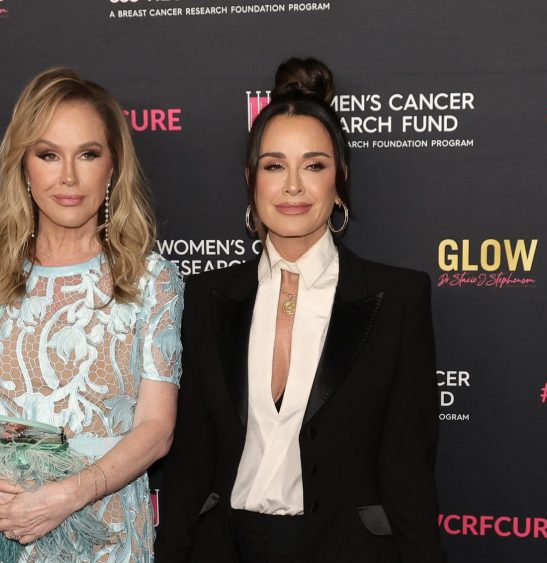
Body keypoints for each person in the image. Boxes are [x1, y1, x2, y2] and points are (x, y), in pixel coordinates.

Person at [156, 58, 446, 563]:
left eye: (314, 165)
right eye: (274, 166)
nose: (293, 186)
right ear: (251, 180)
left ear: (340, 180)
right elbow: (191, 464)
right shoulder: (205, 298)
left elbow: (408, 467)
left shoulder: (397, 298)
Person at [0, 67, 183, 562]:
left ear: (113, 166)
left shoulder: (151, 278)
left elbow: (157, 429)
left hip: (102, 533)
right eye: (48, 155)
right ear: (23, 164)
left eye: (88, 154)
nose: (68, 177)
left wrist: (68, 496)